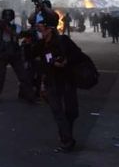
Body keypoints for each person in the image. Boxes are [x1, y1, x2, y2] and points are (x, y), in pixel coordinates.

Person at [33, 9, 83, 152]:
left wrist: (66, 61)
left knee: (71, 112)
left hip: (67, 80)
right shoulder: (42, 44)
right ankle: (67, 140)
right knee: (58, 112)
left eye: (41, 27)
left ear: (49, 29)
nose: (39, 30)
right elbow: (32, 56)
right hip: (51, 82)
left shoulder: (63, 41)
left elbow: (78, 56)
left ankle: (66, 137)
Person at [0, 9, 34, 102]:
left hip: (14, 53)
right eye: (6, 16)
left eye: (9, 16)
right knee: (0, 76)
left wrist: (6, 28)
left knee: (23, 76)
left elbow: (17, 35)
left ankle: (30, 96)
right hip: (2, 53)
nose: (7, 18)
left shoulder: (16, 26)